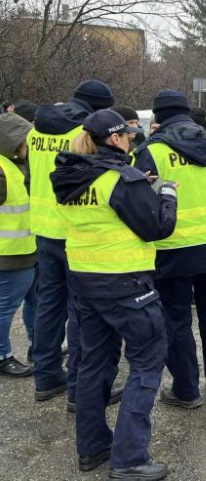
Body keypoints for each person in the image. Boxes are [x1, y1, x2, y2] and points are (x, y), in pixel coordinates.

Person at [51, 109, 176, 480]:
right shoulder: (121, 179)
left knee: (92, 365)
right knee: (146, 364)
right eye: (128, 137)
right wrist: (165, 192)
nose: (131, 141)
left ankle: (92, 448)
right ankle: (129, 458)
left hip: (85, 285)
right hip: (127, 287)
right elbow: (158, 226)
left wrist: (138, 186)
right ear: (115, 139)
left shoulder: (70, 178)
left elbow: (105, 211)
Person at [133, 89, 206, 407]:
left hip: (171, 251)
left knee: (176, 320)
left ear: (158, 117)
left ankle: (186, 390)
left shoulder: (151, 151)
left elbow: (140, 202)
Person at [27, 80, 116, 404]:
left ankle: (47, 376)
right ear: (98, 106)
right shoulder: (83, 132)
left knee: (48, 303)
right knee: (82, 309)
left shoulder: (36, 129)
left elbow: (29, 177)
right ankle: (80, 389)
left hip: (43, 228)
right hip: (76, 230)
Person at [0, 113, 36, 377]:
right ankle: (2, 356)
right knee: (4, 309)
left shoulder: (16, 166)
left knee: (35, 302)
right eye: (26, 142)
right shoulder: (2, 170)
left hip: (26, 252)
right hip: (8, 255)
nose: (29, 147)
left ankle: (41, 347)